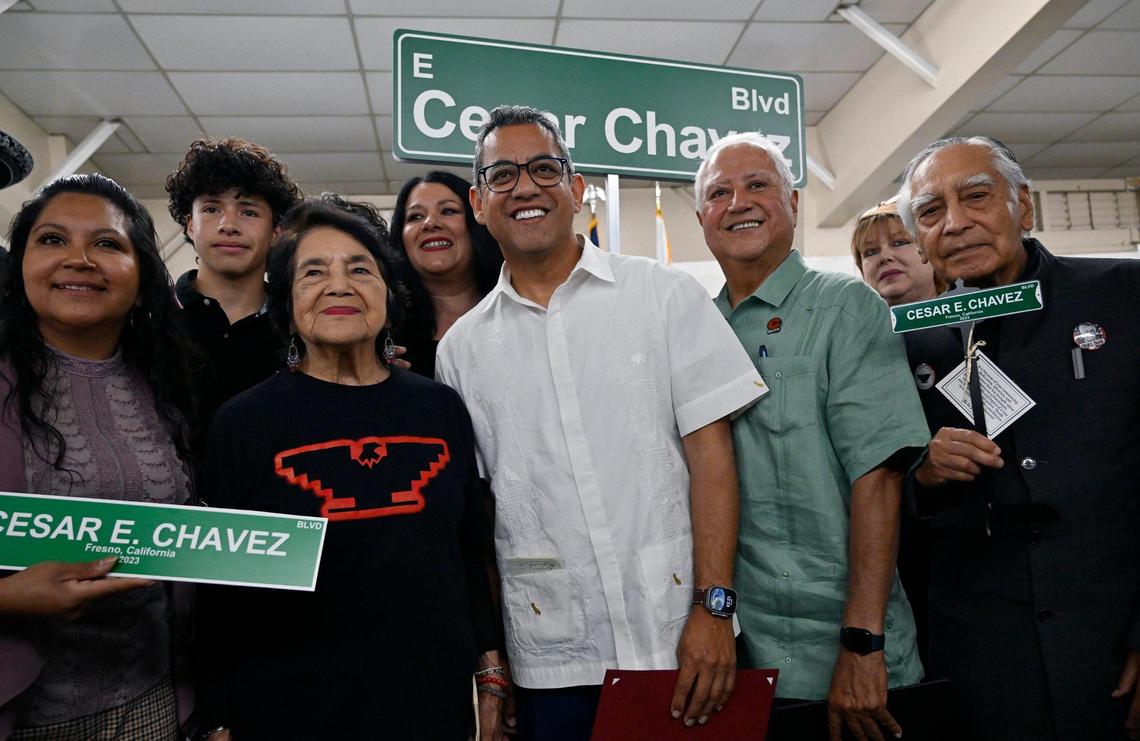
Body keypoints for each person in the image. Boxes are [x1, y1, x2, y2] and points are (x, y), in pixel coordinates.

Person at [435, 105, 766, 739]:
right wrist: (494, 668)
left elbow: (713, 458)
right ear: (478, 203)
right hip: (552, 659)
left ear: (577, 188)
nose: (525, 187)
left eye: (543, 168)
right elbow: (480, 518)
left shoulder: (663, 296)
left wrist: (714, 607)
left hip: (684, 639)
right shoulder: (461, 351)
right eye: (502, 175)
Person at [196, 199, 505, 741]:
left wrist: (491, 675)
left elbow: (469, 552)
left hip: (430, 703)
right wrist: (218, 719)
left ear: (388, 294)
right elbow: (221, 591)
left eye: (360, 269)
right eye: (313, 273)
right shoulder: (242, 424)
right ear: (287, 305)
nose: (339, 285)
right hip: (286, 707)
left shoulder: (439, 408)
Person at [896, 136, 1140, 741]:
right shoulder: (908, 345)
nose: (955, 223)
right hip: (981, 654)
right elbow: (883, 493)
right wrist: (922, 476)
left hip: (1113, 638)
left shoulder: (1122, 295)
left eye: (976, 197)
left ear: (1023, 207)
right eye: (930, 212)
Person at [693, 132, 930, 740]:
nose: (737, 202)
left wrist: (862, 641)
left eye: (757, 185)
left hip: (845, 662)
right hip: (738, 660)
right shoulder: (695, 329)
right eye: (719, 192)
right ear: (701, 219)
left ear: (793, 204)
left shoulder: (845, 306)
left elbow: (878, 479)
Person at [0, 173, 199, 739]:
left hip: (154, 705)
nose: (79, 259)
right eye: (53, 240)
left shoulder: (167, 386)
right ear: (20, 266)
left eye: (107, 244)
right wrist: (8, 597)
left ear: (141, 277)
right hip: (25, 715)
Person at [164, 137, 302, 419]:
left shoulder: (301, 328)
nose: (228, 226)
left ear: (276, 231)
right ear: (191, 225)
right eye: (212, 210)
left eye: (248, 212)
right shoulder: (154, 320)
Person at [389, 171, 503, 379]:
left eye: (448, 211)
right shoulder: (385, 329)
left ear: (477, 224)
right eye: (416, 216)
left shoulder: (515, 312)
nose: (430, 223)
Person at [851, 196, 944, 306]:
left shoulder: (967, 317)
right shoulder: (848, 322)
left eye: (899, 243)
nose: (885, 257)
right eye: (871, 252)